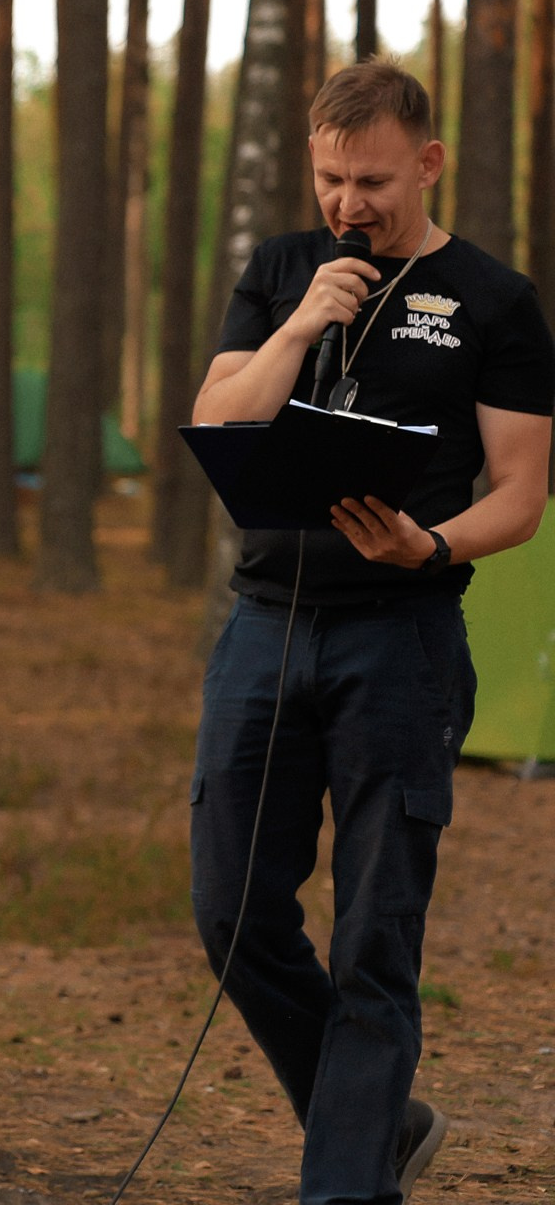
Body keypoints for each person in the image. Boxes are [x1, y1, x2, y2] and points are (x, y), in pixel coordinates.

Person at [190, 59, 553, 1204]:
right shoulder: (281, 273)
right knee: (231, 906)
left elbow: (521, 491)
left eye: (375, 182)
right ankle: (377, 1122)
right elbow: (216, 424)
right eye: (331, 179)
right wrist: (299, 326)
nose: (350, 203)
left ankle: (346, 1185)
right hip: (265, 627)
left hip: (400, 640)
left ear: (429, 163)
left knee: (375, 937)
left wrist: (434, 546)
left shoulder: (496, 302)